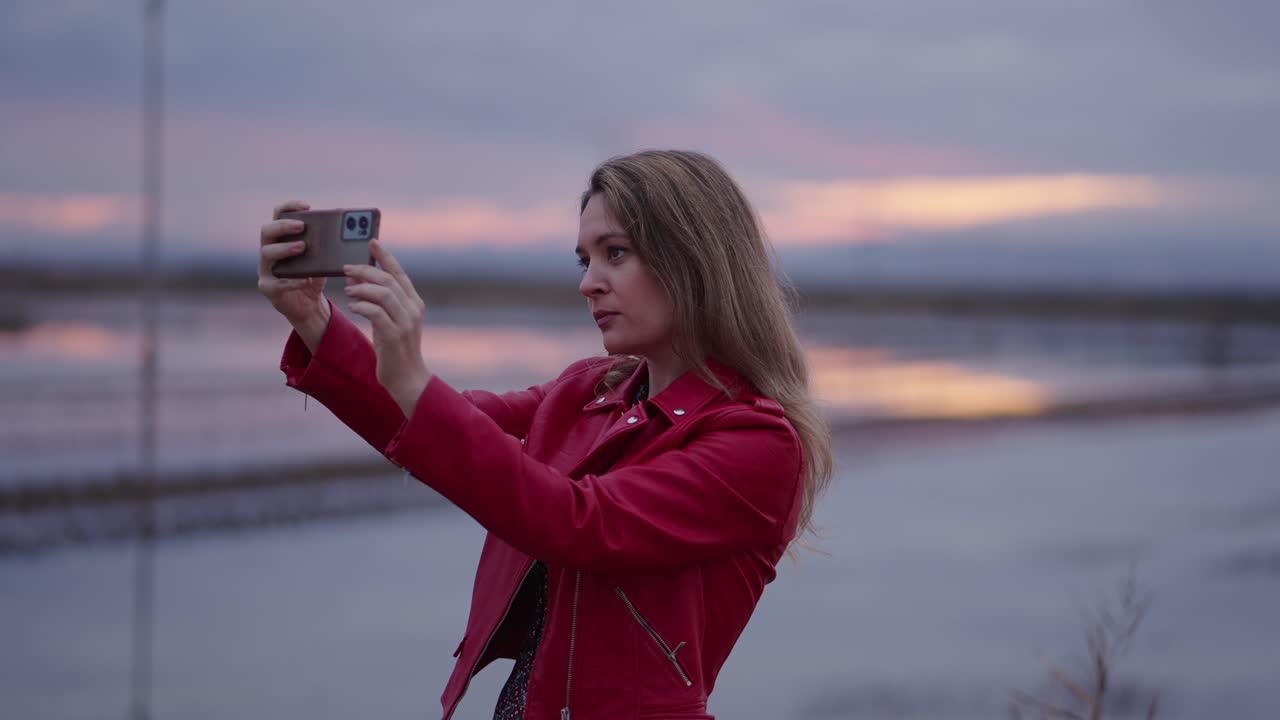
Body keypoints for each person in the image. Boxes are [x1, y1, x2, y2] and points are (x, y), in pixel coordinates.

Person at [256, 150, 833, 719]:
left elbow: (576, 523)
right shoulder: (590, 389)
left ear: (695, 260)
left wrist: (413, 380)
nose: (589, 283)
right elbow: (446, 426)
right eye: (584, 259)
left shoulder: (759, 442)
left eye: (615, 254)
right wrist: (316, 322)